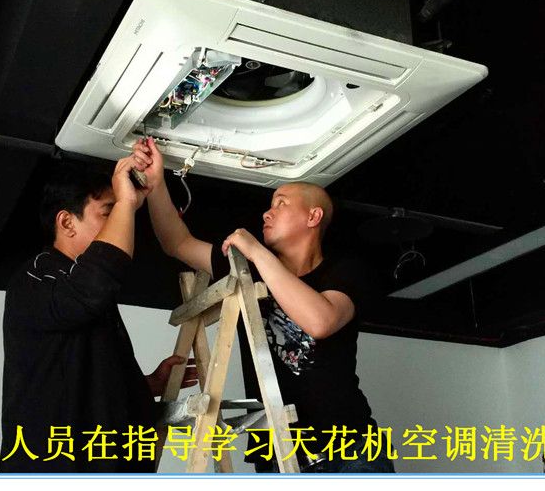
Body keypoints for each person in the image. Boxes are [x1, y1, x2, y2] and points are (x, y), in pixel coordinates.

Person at [131, 137, 395, 473]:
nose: (267, 212)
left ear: (313, 216)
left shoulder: (345, 271)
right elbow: (177, 242)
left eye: (281, 204)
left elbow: (321, 321)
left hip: (350, 454)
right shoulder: (247, 271)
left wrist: (256, 251)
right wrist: (155, 183)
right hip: (278, 457)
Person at [0, 156, 196, 473]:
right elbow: (94, 283)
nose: (121, 221)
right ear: (67, 222)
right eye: (108, 212)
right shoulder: (38, 278)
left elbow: (78, 379)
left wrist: (146, 385)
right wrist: (126, 204)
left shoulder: (81, 290)